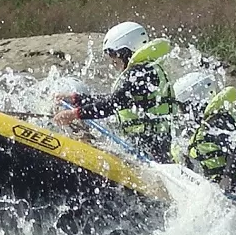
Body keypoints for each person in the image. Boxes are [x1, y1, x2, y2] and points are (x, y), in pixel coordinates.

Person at [53, 21, 175, 163]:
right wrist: (77, 99)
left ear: (125, 51)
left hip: (151, 154)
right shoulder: (147, 70)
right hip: (150, 148)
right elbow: (116, 99)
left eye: (113, 54)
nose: (112, 61)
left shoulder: (142, 73)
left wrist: (74, 114)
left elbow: (113, 104)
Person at [172, 70, 236, 197]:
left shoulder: (217, 122)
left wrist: (227, 179)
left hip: (234, 187)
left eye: (183, 107)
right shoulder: (204, 125)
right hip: (219, 185)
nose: (182, 113)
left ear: (194, 102)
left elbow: (235, 152)